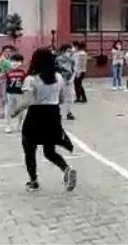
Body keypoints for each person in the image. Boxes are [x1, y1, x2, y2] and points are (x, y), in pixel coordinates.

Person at [15, 48, 77, 192]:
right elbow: (61, 99)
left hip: (36, 114)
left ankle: (33, 181)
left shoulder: (31, 79)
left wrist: (14, 111)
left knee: (29, 148)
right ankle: (66, 169)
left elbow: (27, 101)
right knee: (49, 151)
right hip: (53, 114)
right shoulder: (58, 77)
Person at [3, 53, 27, 133]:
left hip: (20, 94)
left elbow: (26, 84)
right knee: (8, 109)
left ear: (21, 62)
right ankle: (8, 126)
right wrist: (4, 95)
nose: (14, 63)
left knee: (21, 110)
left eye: (17, 61)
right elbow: (6, 84)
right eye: (13, 61)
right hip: (10, 93)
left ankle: (20, 125)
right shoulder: (9, 73)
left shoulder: (24, 73)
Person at [55, 44, 76, 121]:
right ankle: (58, 113)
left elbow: (74, 71)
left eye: (70, 51)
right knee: (59, 97)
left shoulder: (72, 60)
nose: (70, 53)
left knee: (70, 97)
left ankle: (69, 112)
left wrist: (72, 79)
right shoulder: (57, 60)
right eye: (68, 51)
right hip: (60, 80)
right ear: (63, 51)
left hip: (69, 81)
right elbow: (56, 71)